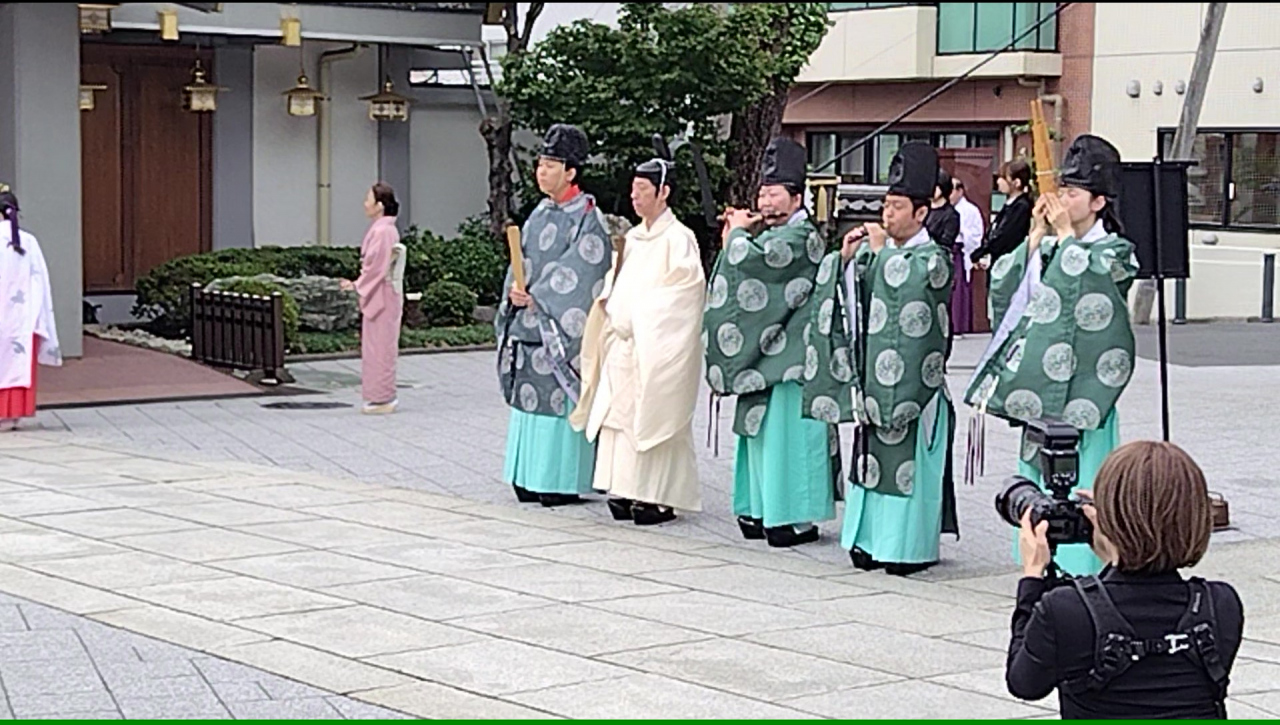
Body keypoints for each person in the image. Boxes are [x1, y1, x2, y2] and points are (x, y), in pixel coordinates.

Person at [966, 134, 1138, 577]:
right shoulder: (1052, 246)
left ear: (1098, 202)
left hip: (1085, 392)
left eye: (1073, 194)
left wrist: (1063, 237)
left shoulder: (1116, 252)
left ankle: (1086, 563)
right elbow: (1007, 288)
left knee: (1085, 479)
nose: (1063, 200)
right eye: (1062, 191)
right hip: (1042, 390)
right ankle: (1037, 560)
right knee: (1037, 478)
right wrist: (1036, 238)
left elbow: (1096, 294)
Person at [1009, 441, 1243, 719]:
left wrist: (1033, 576)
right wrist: (1117, 543)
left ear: (1108, 519)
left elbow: (1024, 684)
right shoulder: (1220, 604)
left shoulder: (1067, 609)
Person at [702, 137, 839, 548]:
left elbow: (753, 261)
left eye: (773, 193)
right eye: (761, 194)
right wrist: (740, 235)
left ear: (797, 197)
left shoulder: (802, 237)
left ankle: (789, 516)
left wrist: (736, 236)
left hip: (793, 359)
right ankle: (760, 509)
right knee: (762, 436)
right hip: (764, 354)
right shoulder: (773, 234)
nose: (764, 201)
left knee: (788, 439)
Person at [833, 142, 957, 576]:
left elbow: (910, 287)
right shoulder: (881, 252)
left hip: (916, 387)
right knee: (871, 461)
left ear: (921, 213)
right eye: (885, 205)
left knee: (908, 463)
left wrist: (880, 252)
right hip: (875, 382)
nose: (887, 214)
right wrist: (846, 260)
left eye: (897, 206)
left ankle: (907, 547)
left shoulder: (935, 258)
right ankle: (867, 540)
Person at [572, 154, 705, 525]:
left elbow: (685, 294)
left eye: (642, 189)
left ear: (664, 192)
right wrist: (610, 303)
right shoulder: (633, 237)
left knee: (653, 414)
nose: (634, 196)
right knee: (619, 415)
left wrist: (639, 317)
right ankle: (623, 487)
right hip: (623, 342)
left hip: (653, 343)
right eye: (633, 189)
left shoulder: (679, 238)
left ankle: (656, 497)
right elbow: (616, 280)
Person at [496, 124, 612, 508]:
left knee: (558, 400)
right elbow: (521, 263)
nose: (541, 172)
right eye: (540, 165)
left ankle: (559, 479)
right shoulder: (539, 212)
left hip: (558, 329)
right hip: (529, 325)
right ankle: (527, 476)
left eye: (550, 165)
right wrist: (516, 291)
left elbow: (585, 271)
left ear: (571, 172)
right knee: (529, 402)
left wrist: (540, 298)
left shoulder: (589, 218)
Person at [0, 185, 61, 432]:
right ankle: (13, 414)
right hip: (23, 317)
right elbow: (40, 279)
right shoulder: (29, 241)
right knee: (18, 362)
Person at [341, 182, 404, 415]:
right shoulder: (384, 229)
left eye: (369, 199)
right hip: (381, 290)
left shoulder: (383, 231)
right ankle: (378, 395)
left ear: (379, 205)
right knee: (376, 346)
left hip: (382, 292)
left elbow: (376, 266)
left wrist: (357, 284)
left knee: (380, 347)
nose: (365, 204)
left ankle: (382, 397)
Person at [970, 159, 1033, 270]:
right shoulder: (1010, 204)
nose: (999, 181)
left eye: (1003, 178)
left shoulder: (1021, 207)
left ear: (1016, 182)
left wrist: (982, 252)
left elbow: (1005, 236)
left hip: (1009, 263)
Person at [949, 177, 986, 336]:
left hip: (961, 250)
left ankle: (960, 325)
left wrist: (962, 232)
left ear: (960, 191)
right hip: (949, 249)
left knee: (959, 290)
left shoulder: (971, 210)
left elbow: (976, 234)